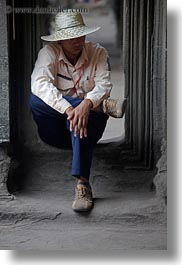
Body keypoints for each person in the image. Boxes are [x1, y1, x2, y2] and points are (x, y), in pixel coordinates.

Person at [30, 10, 126, 212]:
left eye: (80, 34)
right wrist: (71, 107)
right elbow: (39, 85)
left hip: (89, 126)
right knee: (36, 100)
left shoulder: (97, 52)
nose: (77, 40)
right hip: (54, 129)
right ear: (60, 40)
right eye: (70, 37)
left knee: (82, 120)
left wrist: (87, 104)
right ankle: (102, 106)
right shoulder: (49, 53)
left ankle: (83, 185)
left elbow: (104, 85)